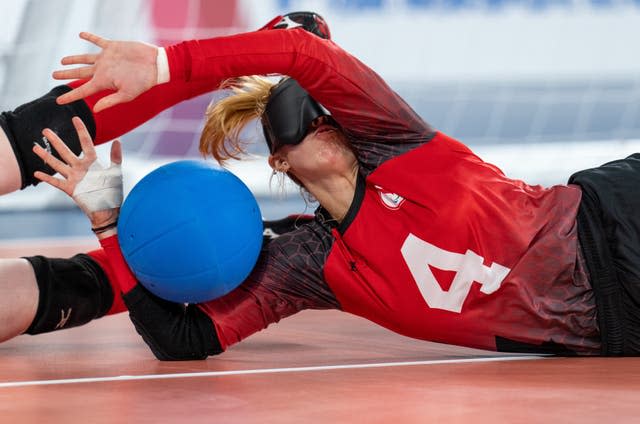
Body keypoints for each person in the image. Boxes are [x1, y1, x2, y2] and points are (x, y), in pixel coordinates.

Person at [2, 12, 638, 359]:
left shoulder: (398, 147)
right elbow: (182, 340)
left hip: (610, 221)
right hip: (610, 329)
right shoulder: (310, 264)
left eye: (334, 115)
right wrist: (109, 224)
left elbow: (307, 53)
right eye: (307, 118)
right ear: (279, 161)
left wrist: (169, 65)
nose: (331, 121)